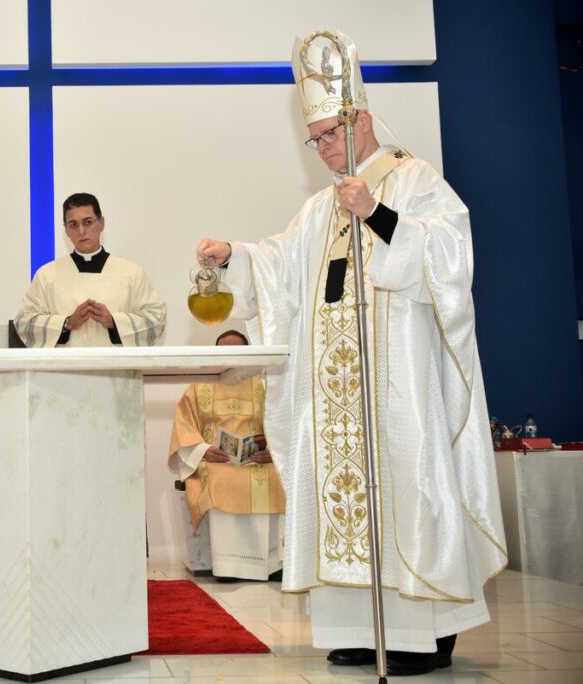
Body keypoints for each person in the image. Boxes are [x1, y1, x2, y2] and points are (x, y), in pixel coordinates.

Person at [194, 31, 506, 676]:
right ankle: (363, 628)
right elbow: (281, 267)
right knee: (341, 495)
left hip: (400, 384)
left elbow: (451, 260)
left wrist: (379, 216)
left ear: (359, 119)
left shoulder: (415, 179)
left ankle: (427, 633)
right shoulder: (319, 208)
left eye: (330, 135)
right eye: (315, 140)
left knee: (410, 488)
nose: (324, 150)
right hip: (336, 395)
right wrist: (236, 257)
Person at [168, 330, 286, 581]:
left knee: (276, 479)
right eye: (224, 351)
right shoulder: (200, 386)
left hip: (258, 460)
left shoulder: (265, 384)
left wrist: (272, 452)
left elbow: (282, 423)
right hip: (216, 460)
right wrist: (203, 450)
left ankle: (273, 565)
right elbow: (184, 426)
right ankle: (228, 567)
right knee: (222, 480)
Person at [14, 192, 166, 347]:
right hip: (64, 370)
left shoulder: (132, 273)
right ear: (66, 230)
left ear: (101, 223)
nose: (81, 231)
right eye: (73, 225)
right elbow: (24, 323)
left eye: (87, 222)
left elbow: (155, 319)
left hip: (115, 369)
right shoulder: (46, 275)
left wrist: (114, 321)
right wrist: (67, 323)